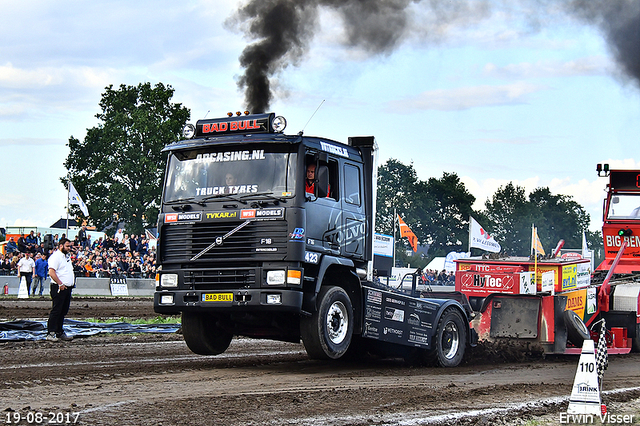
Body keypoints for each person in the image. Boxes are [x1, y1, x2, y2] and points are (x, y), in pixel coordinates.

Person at [46, 237, 75, 342]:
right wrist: (60, 283)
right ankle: (51, 333)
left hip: (67, 288)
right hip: (58, 287)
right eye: (67, 246)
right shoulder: (55, 257)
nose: (69, 248)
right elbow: (51, 272)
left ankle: (59, 331)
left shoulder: (66, 257)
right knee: (56, 310)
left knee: (63, 310)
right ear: (61, 246)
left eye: (70, 246)